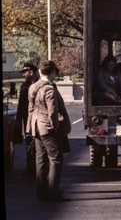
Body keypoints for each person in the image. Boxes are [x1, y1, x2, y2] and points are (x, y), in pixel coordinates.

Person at [26, 60, 71, 202]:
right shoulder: (49, 89)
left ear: (40, 72)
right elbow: (52, 112)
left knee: (41, 160)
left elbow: (31, 108)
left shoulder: (33, 87)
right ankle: (53, 192)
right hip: (48, 128)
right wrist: (55, 126)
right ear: (52, 73)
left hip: (36, 127)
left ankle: (42, 190)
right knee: (56, 159)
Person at [13, 63, 39, 174]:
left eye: (25, 72)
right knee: (29, 142)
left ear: (31, 72)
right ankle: (31, 166)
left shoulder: (40, 84)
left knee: (40, 143)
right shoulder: (24, 86)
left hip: (39, 119)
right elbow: (21, 105)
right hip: (27, 119)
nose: (24, 75)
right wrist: (18, 121)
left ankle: (40, 167)